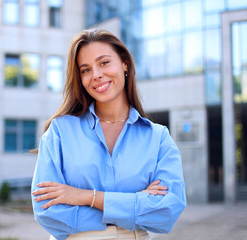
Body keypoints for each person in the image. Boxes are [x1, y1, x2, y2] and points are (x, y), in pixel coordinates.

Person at [31, 29, 186, 240]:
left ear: (124, 64)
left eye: (104, 63)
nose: (96, 75)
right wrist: (134, 203)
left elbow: (166, 212)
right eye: (85, 70)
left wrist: (86, 197)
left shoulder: (157, 138)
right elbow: (46, 211)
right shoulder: (59, 132)